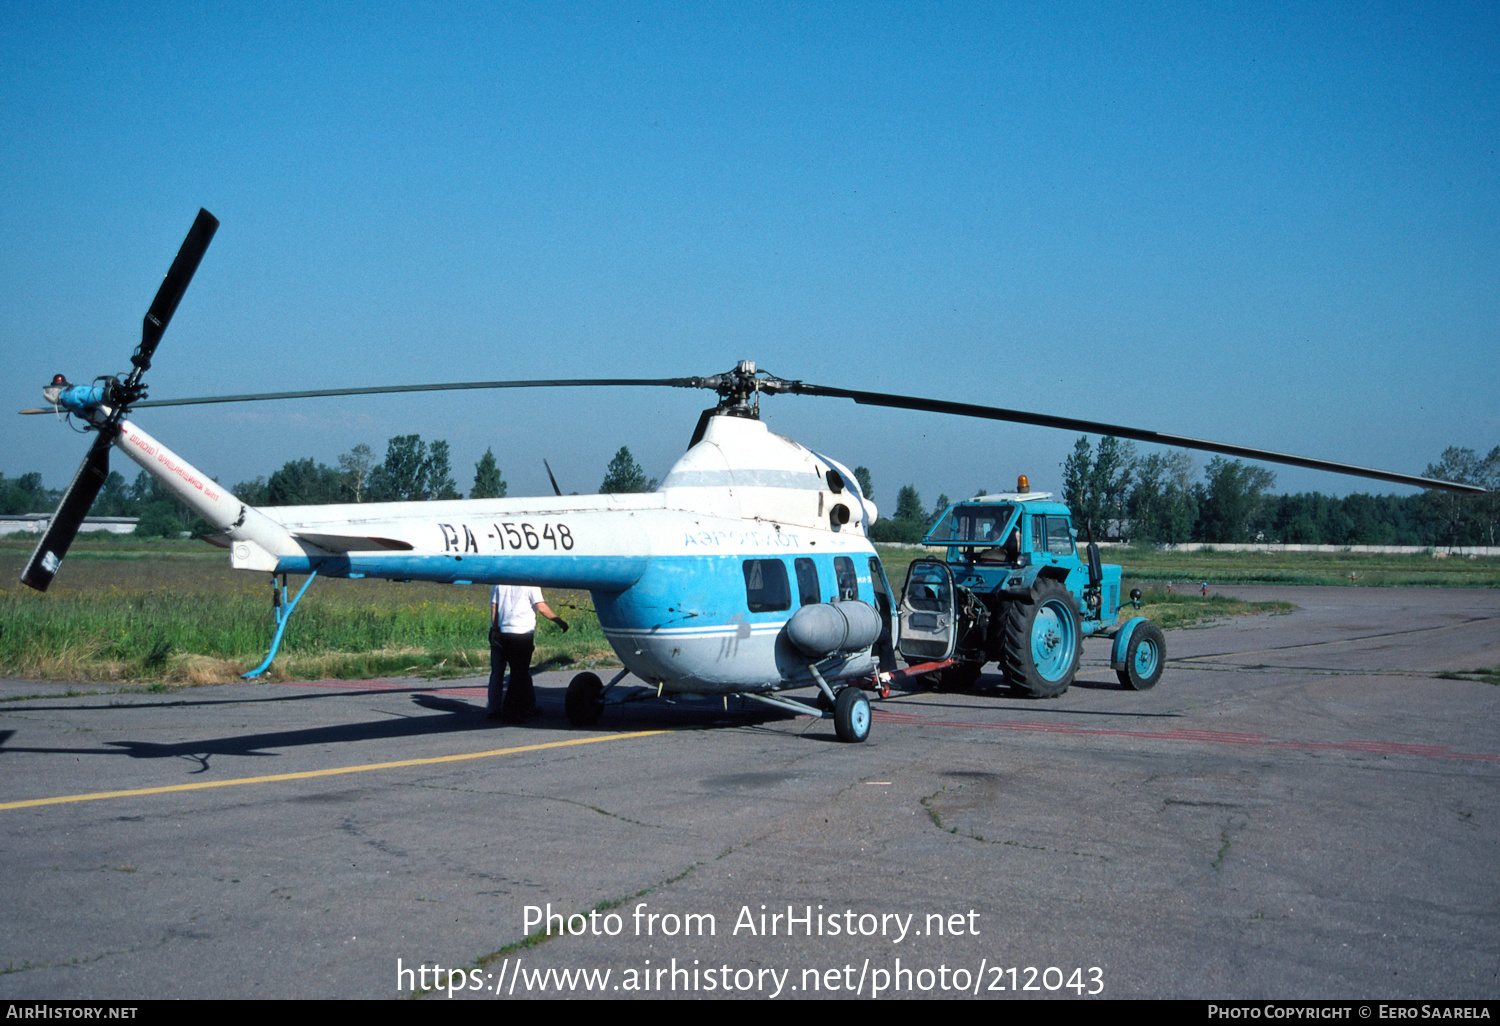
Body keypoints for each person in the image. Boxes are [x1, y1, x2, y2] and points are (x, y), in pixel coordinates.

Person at [488, 584, 568, 722]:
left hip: (501, 631)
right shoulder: (530, 583)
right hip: (522, 632)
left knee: (499, 671)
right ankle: (512, 712)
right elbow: (541, 607)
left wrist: (495, 629)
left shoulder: (499, 582)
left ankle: (497, 708)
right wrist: (559, 621)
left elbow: (494, 606)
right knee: (519, 673)